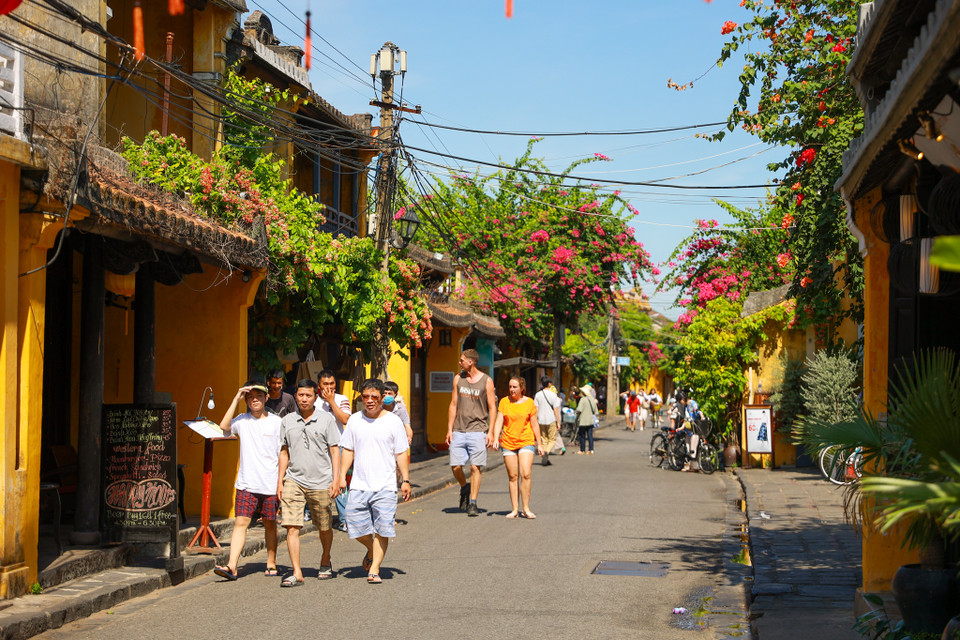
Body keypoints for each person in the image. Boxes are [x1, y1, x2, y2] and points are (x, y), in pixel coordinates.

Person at [338, 379, 411, 585]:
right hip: (360, 484)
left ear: (382, 398)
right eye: (366, 397)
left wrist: (405, 480)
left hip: (386, 486)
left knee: (382, 528)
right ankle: (371, 549)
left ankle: (374, 568)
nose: (370, 401)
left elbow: (401, 453)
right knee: (353, 525)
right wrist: (342, 476)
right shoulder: (354, 420)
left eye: (374, 397)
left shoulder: (393, 421)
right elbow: (348, 450)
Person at [213, 380, 282, 581]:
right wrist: (236, 398)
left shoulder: (276, 422)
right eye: (250, 397)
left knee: (270, 524)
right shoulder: (242, 421)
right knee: (241, 522)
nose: (255, 400)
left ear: (266, 398)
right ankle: (232, 566)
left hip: (270, 483)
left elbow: (283, 452)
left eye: (259, 396)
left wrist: (281, 481)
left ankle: (271, 561)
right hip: (246, 483)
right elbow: (223, 427)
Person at [276, 379, 341, 586]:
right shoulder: (287, 421)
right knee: (292, 527)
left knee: (324, 526)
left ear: (316, 397)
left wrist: (336, 479)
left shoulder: (327, 420)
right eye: (301, 395)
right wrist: (280, 481)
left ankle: (325, 558)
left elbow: (334, 450)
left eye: (308, 395)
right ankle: (297, 571)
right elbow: (284, 452)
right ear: (296, 395)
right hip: (293, 480)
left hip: (321, 481)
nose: (304, 399)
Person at [446, 349, 497, 517]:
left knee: (475, 467)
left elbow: (492, 407)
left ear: (471, 362)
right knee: (456, 467)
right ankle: (464, 487)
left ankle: (473, 503)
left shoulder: (486, 381)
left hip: (478, 430)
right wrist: (449, 429)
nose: (459, 363)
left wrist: (491, 432)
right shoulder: (458, 379)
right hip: (459, 430)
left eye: (462, 360)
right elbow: (453, 404)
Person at [491, 376, 544, 518]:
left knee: (525, 474)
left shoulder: (529, 403)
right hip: (508, 442)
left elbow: (534, 424)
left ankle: (526, 508)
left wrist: (539, 443)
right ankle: (515, 509)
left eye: (514, 387)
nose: (512, 390)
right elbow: (499, 421)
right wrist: (496, 438)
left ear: (522, 388)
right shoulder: (504, 402)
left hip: (526, 440)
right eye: (510, 387)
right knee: (513, 476)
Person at [315, 369, 352, 530]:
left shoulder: (341, 399)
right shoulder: (313, 401)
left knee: (340, 482)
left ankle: (345, 519)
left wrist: (331, 402)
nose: (329, 387)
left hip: (339, 446)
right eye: (325, 384)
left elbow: (345, 419)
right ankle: (312, 514)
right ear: (319, 385)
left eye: (332, 384)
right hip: (318, 448)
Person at [533, 376, 562, 467]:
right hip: (551, 420)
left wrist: (535, 420)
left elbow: (536, 409)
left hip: (541, 420)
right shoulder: (553, 395)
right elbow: (556, 410)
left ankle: (545, 457)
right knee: (552, 439)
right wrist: (558, 422)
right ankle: (546, 452)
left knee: (544, 439)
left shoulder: (537, 395)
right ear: (549, 384)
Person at [383, 381, 414, 446]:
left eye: (389, 393)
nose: (386, 396)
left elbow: (407, 426)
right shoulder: (377, 408)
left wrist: (409, 437)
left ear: (395, 395)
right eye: (385, 393)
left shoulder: (400, 408)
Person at [575, 385, 599, 454]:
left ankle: (582, 450)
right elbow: (596, 411)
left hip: (583, 420)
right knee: (590, 435)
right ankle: (591, 450)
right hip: (590, 420)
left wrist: (576, 413)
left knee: (582, 435)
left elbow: (579, 410)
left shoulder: (582, 400)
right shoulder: (592, 400)